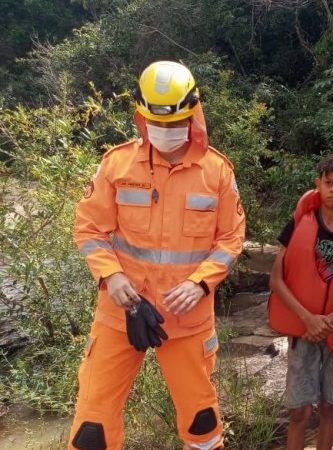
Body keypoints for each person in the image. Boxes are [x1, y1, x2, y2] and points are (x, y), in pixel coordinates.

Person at [70, 61, 245, 450]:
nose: (166, 133)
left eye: (174, 123)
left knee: (201, 423)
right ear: (142, 117)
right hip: (122, 310)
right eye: (158, 124)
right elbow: (89, 229)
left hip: (186, 315)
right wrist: (111, 276)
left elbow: (232, 238)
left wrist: (200, 283)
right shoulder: (116, 164)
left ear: (193, 113)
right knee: (91, 428)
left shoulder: (216, 172)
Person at [268, 153, 333, 450]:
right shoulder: (299, 221)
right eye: (328, 183)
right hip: (303, 330)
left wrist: (328, 321)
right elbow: (276, 279)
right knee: (299, 411)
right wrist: (308, 319)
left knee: (329, 409)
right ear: (318, 183)